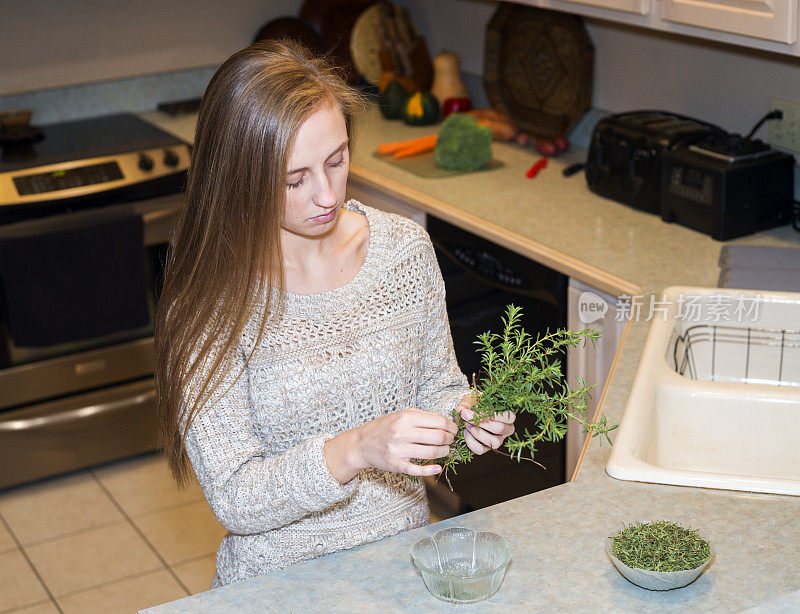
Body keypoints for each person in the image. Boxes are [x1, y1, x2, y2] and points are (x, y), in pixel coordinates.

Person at [155, 39, 516, 588]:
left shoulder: (403, 252)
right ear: (238, 178)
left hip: (401, 568)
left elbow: (435, 390)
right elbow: (235, 497)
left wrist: (466, 417)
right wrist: (356, 447)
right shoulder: (210, 301)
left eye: (337, 160)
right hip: (275, 587)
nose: (327, 195)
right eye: (294, 179)